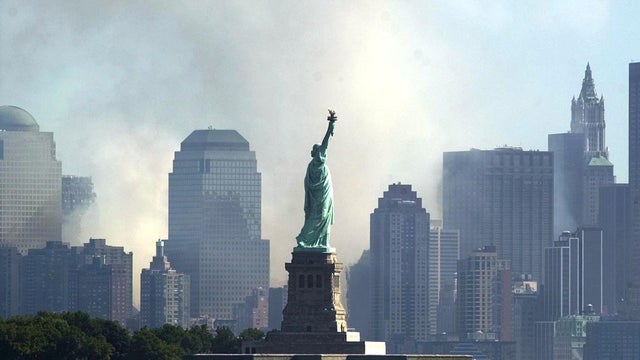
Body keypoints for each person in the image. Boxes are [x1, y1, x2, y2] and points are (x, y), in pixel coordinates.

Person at [295, 110, 337, 250]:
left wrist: (330, 126)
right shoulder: (313, 165)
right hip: (316, 198)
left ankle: (320, 242)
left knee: (323, 217)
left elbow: (326, 143)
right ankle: (305, 239)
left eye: (316, 150)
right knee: (316, 217)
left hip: (323, 196)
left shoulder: (319, 161)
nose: (313, 152)